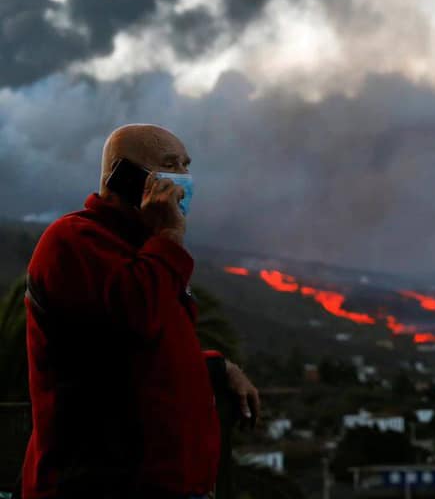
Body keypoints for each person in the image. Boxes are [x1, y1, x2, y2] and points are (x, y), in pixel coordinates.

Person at [20, 124, 260, 499]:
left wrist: (215, 368)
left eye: (185, 164)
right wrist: (168, 238)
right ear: (124, 178)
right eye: (170, 164)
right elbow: (134, 317)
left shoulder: (141, 248)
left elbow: (135, 348)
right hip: (104, 485)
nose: (183, 177)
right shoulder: (73, 241)